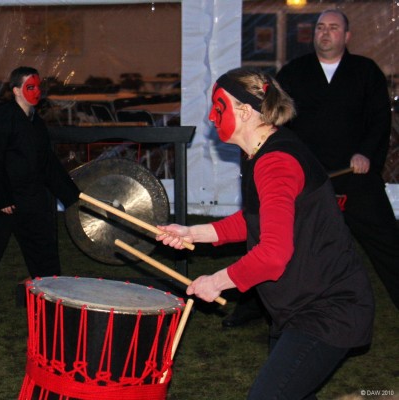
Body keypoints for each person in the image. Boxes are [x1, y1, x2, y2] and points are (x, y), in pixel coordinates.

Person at [156, 68, 374, 399]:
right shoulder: (265, 153)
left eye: (219, 107)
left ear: (244, 111)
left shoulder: (276, 161)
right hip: (299, 308)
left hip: (328, 309)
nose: (212, 117)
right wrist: (192, 232)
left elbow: (272, 254)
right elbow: (256, 219)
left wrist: (216, 281)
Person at [275, 9, 398, 310]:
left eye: (333, 27)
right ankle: (254, 306)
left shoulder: (366, 71)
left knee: (387, 242)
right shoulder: (294, 72)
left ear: (347, 36)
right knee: (281, 241)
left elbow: (379, 120)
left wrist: (366, 154)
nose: (325, 33)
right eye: (319, 27)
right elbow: (276, 121)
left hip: (356, 175)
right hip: (310, 177)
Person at [0, 66, 80, 314]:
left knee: (44, 249)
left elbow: (48, 163)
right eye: (29, 87)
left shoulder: (37, 122)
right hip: (7, 200)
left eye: (38, 87)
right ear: (16, 90)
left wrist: (70, 194)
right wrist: (2, 197)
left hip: (35, 198)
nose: (36, 92)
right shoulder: (3, 116)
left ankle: (51, 296)